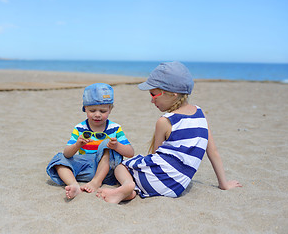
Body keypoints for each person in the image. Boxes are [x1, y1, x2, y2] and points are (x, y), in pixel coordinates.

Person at [96, 61, 242, 203]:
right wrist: (224, 184)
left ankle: (128, 186)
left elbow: (153, 156)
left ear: (172, 94)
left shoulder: (165, 121)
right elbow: (213, 152)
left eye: (153, 95)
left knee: (122, 166)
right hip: (176, 188)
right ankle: (131, 193)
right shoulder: (201, 114)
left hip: (155, 179)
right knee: (143, 174)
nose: (152, 101)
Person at [46, 83, 134, 199]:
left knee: (105, 145)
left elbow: (130, 152)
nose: (97, 115)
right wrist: (77, 145)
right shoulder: (79, 128)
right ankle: (74, 185)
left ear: (110, 109)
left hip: (110, 170)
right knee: (59, 158)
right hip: (87, 168)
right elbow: (67, 154)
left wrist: (116, 146)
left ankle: (102, 182)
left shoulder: (115, 128)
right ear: (85, 109)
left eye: (102, 111)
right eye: (92, 110)